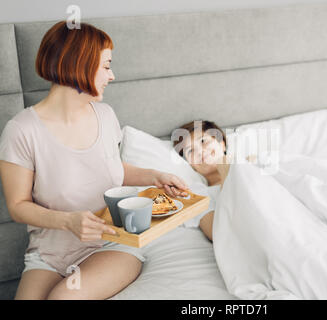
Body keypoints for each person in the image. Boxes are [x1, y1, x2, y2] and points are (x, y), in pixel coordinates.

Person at [0, 21, 188, 300]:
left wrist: (153, 176)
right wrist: (67, 222)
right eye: (106, 66)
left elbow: (108, 170)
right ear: (79, 64)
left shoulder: (105, 115)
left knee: (63, 298)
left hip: (112, 244)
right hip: (49, 255)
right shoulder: (21, 130)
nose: (112, 76)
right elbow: (17, 206)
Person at [173, 120, 231, 241]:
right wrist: (224, 172)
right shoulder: (197, 193)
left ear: (222, 143)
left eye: (203, 141)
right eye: (191, 151)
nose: (200, 151)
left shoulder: (253, 164)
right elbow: (219, 234)